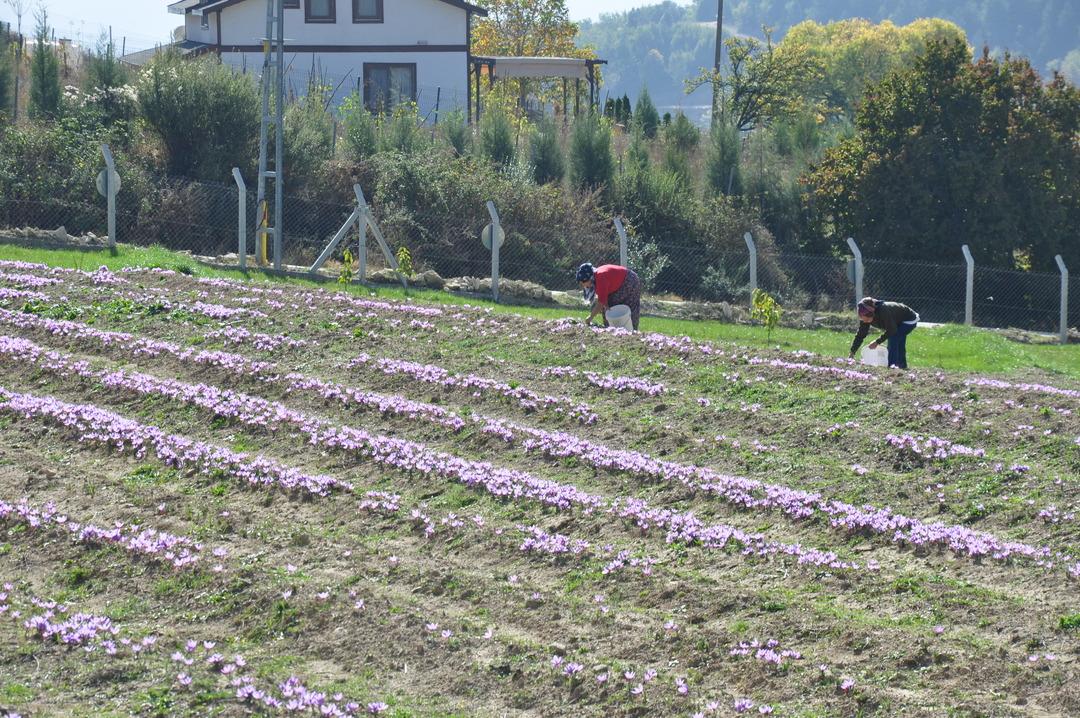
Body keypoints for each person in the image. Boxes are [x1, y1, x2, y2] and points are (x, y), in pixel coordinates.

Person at [849, 297, 920, 368]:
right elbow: (860, 335)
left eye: (867, 320)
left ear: (872, 313)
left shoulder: (883, 311)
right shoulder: (865, 318)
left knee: (894, 338)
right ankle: (902, 366)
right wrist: (852, 352)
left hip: (909, 319)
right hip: (897, 321)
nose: (865, 322)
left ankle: (892, 366)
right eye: (863, 319)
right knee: (899, 342)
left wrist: (877, 342)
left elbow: (892, 330)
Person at [576, 262, 642, 331]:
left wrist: (590, 318)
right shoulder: (595, 278)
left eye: (582, 283)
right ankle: (611, 330)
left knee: (629, 308)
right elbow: (603, 300)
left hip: (629, 281)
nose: (583, 286)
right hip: (621, 283)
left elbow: (601, 303)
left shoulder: (600, 277)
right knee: (608, 308)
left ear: (588, 279)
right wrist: (606, 306)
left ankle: (631, 332)